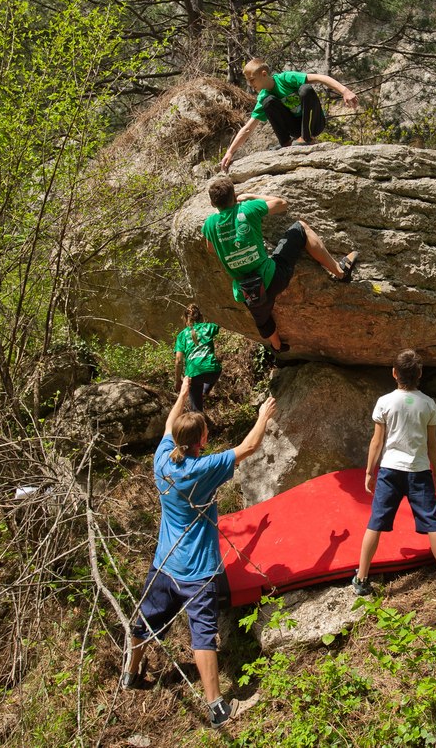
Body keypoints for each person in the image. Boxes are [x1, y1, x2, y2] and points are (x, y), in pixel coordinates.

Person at [119, 378, 277, 728]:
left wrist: (181, 393)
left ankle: (130, 673)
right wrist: (264, 415)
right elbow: (249, 447)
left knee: (146, 618)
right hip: (197, 571)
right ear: (202, 441)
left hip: (164, 563)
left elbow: (167, 424)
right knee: (203, 634)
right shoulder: (200, 471)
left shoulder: (162, 459)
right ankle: (218, 708)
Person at [351, 349, 436, 598]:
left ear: (394, 373)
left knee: (375, 522)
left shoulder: (384, 402)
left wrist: (368, 471)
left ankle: (362, 579)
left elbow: (376, 442)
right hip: (419, 472)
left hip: (390, 471)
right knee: (432, 523)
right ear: (420, 373)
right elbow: (432, 443)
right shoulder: (428, 404)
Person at [202, 177, 358, 353]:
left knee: (261, 318)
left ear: (212, 203)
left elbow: (211, 249)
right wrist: (252, 196)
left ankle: (277, 346)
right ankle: (339, 271)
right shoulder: (246, 209)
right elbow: (282, 203)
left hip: (248, 290)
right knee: (301, 227)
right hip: (274, 277)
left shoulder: (209, 225)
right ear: (235, 195)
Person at [219, 59, 359, 172]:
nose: (250, 84)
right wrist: (230, 152)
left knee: (306, 89)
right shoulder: (264, 96)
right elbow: (248, 128)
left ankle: (307, 138)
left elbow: (321, 78)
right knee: (268, 102)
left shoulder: (285, 79)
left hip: (315, 123)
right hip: (295, 129)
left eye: (252, 80)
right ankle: (286, 143)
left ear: (263, 74)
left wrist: (344, 91)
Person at [173, 304, 222, 413]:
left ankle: (199, 421)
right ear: (200, 316)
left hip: (194, 375)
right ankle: (204, 392)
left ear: (186, 319)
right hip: (213, 371)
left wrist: (177, 381)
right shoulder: (209, 327)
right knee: (211, 373)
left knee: (196, 410)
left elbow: (179, 361)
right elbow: (223, 324)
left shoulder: (182, 336)